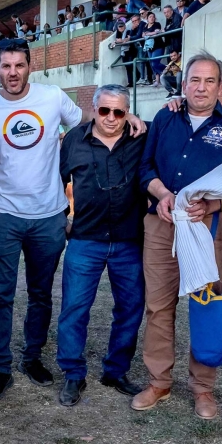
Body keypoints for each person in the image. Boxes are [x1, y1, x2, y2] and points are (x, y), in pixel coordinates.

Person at [0, 39, 146, 400]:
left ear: (30, 66)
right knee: (0, 296)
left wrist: (125, 114)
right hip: (2, 215)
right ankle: (1, 367)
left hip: (48, 218)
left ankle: (33, 357)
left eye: (19, 65)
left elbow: (91, 120)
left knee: (41, 295)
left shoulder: (53, 97)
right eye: (5, 66)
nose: (12, 72)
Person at [133, 51, 222, 421]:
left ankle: (203, 387)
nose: (201, 87)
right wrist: (161, 195)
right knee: (158, 306)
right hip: (162, 224)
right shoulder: (166, 116)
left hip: (211, 225)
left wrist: (210, 206)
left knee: (208, 303)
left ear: (220, 86)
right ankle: (159, 381)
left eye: (209, 81)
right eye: (194, 80)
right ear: (184, 84)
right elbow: (145, 167)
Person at [57, 84, 147, 406]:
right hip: (85, 239)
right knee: (74, 309)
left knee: (130, 309)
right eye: (104, 110)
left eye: (119, 111)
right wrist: (64, 219)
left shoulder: (141, 138)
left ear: (127, 113)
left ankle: (116, 369)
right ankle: (72, 373)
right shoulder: (73, 142)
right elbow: (56, 180)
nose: (111, 117)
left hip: (129, 241)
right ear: (94, 109)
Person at [142, 12, 164, 86]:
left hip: (158, 46)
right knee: (152, 64)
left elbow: (157, 32)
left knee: (155, 63)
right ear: (147, 18)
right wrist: (150, 33)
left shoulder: (157, 24)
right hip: (149, 47)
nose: (152, 18)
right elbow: (142, 34)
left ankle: (167, 69)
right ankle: (157, 81)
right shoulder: (145, 26)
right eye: (150, 17)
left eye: (153, 17)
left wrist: (148, 34)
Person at [111, 20, 135, 87]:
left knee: (130, 65)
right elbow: (116, 41)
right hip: (123, 52)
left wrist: (120, 41)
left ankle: (136, 77)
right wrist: (117, 42)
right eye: (119, 27)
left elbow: (128, 39)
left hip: (130, 50)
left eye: (122, 26)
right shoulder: (118, 34)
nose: (121, 28)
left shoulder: (128, 31)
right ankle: (130, 82)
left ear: (124, 26)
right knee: (127, 67)